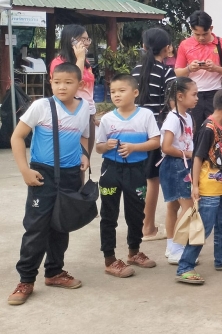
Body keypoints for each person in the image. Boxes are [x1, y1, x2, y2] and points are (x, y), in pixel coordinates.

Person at [8, 63, 90, 305]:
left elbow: (84, 135)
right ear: (50, 82)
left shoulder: (85, 107)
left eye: (68, 82)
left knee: (61, 225)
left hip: (70, 175)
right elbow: (17, 137)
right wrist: (25, 170)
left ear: (80, 85)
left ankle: (54, 272)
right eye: (57, 82)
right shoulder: (41, 106)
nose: (62, 87)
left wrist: (84, 154)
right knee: (36, 227)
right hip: (42, 175)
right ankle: (26, 279)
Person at [176, 88, 222, 284]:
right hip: (208, 190)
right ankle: (185, 267)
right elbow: (197, 158)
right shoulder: (208, 128)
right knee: (203, 228)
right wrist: (195, 186)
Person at [95, 74, 161, 277]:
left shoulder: (145, 115)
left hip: (137, 170)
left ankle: (134, 252)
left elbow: (156, 141)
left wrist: (134, 147)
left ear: (135, 92)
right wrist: (106, 146)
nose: (116, 95)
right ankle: (109, 259)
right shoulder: (107, 119)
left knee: (135, 213)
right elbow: (98, 147)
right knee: (109, 215)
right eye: (112, 92)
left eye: (121, 91)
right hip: (111, 170)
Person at [132, 28, 176, 242]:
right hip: (155, 132)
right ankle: (147, 227)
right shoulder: (167, 72)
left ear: (143, 46)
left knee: (137, 178)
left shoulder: (135, 71)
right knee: (152, 179)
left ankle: (137, 224)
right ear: (167, 49)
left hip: (133, 130)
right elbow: (172, 104)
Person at [174, 10, 222, 129]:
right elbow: (178, 73)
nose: (201, 38)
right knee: (194, 129)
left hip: (216, 93)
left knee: (216, 129)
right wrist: (189, 68)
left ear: (211, 28)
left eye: (205, 34)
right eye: (197, 34)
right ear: (191, 29)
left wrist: (216, 68)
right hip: (192, 93)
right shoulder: (185, 45)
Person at [160, 77, 199, 264]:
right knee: (188, 207)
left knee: (174, 207)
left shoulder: (187, 116)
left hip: (181, 164)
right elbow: (166, 147)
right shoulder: (173, 119)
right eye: (194, 94)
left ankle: (171, 246)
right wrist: (188, 154)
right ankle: (177, 248)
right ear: (180, 96)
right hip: (175, 165)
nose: (197, 98)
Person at [50, 25, 96, 157]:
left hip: (89, 111)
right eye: (83, 39)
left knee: (85, 156)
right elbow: (75, 81)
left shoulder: (86, 62)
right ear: (71, 40)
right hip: (69, 112)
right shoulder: (58, 63)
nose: (86, 43)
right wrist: (80, 59)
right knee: (72, 155)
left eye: (88, 39)